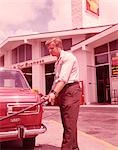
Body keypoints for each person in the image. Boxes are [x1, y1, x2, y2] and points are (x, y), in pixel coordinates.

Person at [45, 37, 81, 150]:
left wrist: (54, 93)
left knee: (69, 124)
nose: (49, 51)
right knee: (68, 123)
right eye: (48, 49)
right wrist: (50, 93)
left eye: (51, 48)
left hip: (71, 90)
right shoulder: (58, 61)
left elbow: (63, 79)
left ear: (59, 47)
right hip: (64, 92)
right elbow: (56, 80)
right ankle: (74, 147)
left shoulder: (68, 58)